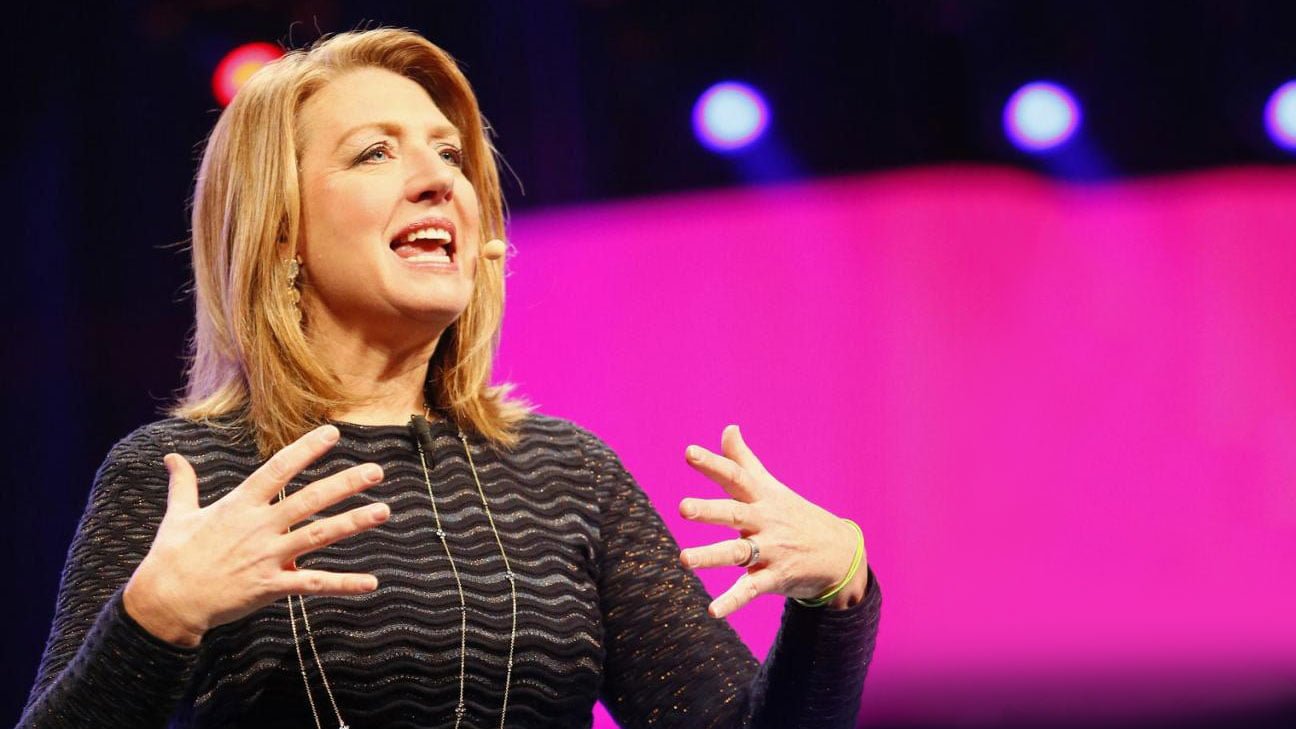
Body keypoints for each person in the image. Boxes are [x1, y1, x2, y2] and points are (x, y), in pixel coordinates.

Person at [18, 27, 879, 729]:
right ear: (280, 232)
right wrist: (155, 618)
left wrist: (837, 594)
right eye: (374, 154)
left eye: (450, 155)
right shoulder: (180, 477)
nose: (439, 180)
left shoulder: (568, 475)